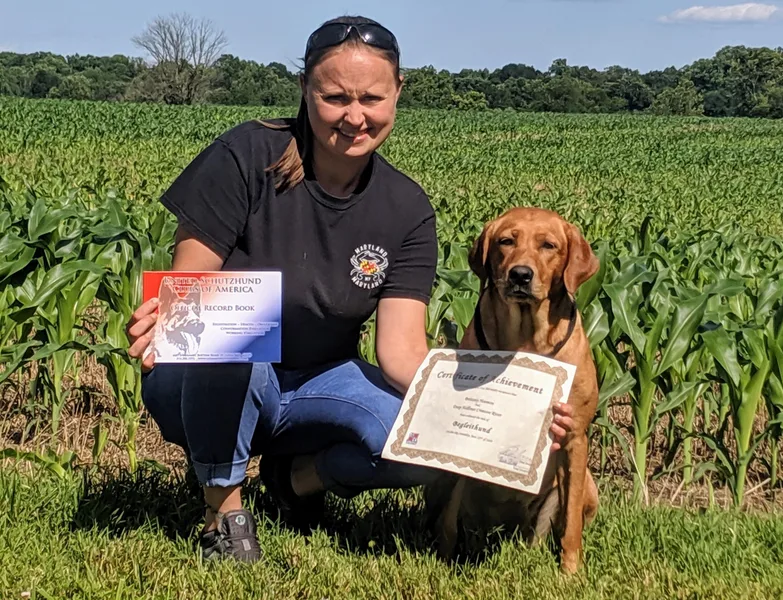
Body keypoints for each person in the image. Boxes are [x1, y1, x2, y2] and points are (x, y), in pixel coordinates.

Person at [126, 15, 578, 564]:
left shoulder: (405, 208)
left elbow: (401, 352)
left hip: (319, 382)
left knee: (428, 444)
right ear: (305, 89)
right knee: (228, 336)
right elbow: (191, 288)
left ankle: (296, 482)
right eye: (336, 96)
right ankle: (224, 510)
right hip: (212, 382)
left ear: (398, 93)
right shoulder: (246, 155)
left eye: (372, 98)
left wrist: (508, 405)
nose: (355, 116)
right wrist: (162, 321)